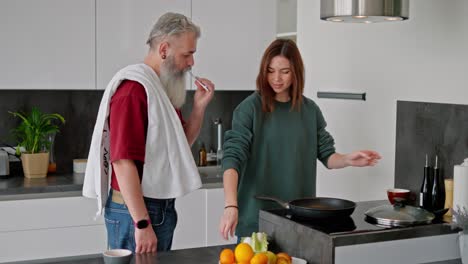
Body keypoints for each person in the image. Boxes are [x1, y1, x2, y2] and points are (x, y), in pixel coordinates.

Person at [218, 39, 381, 240]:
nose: (276, 78)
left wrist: (348, 159)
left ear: (296, 72)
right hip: (256, 222)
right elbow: (232, 160)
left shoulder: (310, 110)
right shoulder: (249, 109)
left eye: (284, 71)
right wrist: (231, 205)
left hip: (300, 222)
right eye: (270, 70)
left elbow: (327, 156)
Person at [83, 12, 214, 253]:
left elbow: (179, 149)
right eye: (187, 54)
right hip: (135, 212)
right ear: (164, 49)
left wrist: (198, 108)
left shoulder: (159, 90)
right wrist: (142, 223)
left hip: (157, 209)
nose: (191, 63)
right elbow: (123, 162)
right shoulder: (133, 91)